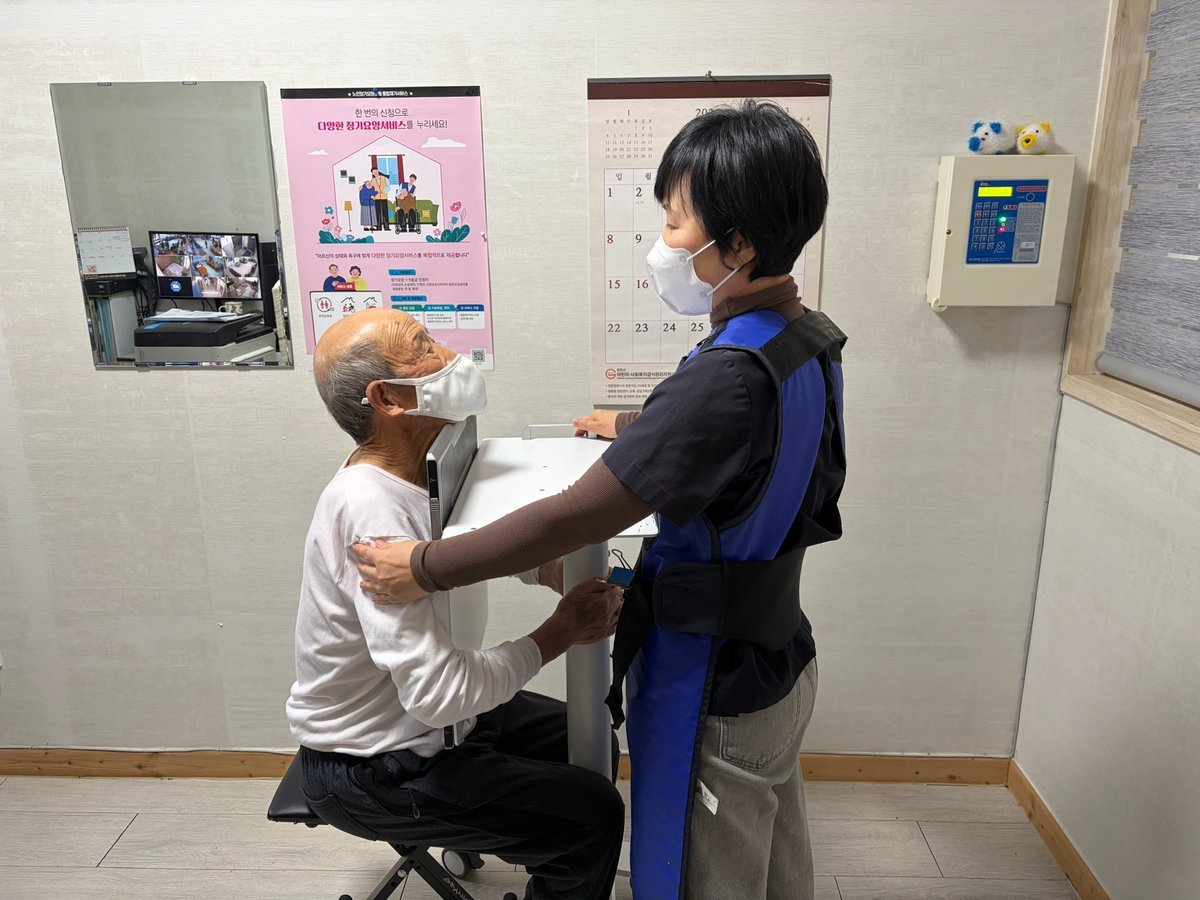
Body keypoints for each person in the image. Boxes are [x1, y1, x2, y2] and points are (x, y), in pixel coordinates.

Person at [352, 100, 845, 900]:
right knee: (774, 870)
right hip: (779, 657)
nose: (664, 242)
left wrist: (427, 566)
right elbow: (745, 445)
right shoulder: (803, 341)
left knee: (699, 881)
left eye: (677, 222)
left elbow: (578, 515)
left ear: (739, 244)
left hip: (713, 680)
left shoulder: (725, 377)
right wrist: (632, 425)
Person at [288, 309, 626, 900]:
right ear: (388, 398)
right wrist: (559, 632)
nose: (448, 354)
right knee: (591, 816)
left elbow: (460, 549)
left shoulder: (424, 467)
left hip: (432, 725)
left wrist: (545, 570)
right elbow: (439, 694)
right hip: (374, 763)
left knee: (588, 732)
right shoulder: (373, 513)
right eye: (422, 345)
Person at [370, 166, 390, 232]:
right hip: (376, 198)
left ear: (378, 171)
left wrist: (383, 191)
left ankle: (386, 226)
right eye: (373, 172)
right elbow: (371, 189)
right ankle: (378, 226)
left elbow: (388, 187)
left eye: (376, 171)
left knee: (385, 212)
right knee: (377, 212)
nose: (375, 172)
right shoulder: (372, 181)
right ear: (372, 173)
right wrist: (374, 194)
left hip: (384, 197)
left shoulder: (385, 178)